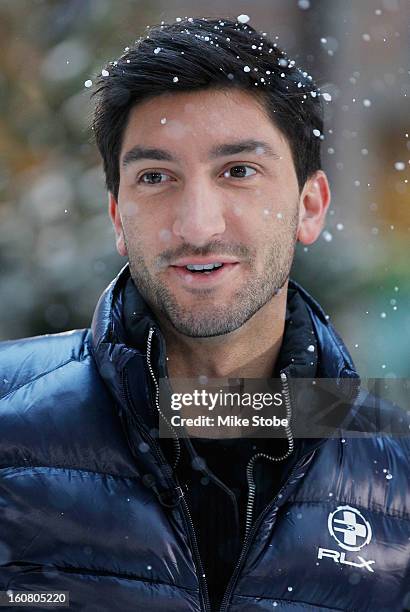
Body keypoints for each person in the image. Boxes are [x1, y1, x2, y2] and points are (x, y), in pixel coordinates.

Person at [0, 16, 408, 612]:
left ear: (309, 206)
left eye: (238, 171)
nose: (197, 225)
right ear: (117, 217)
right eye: (156, 177)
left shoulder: (395, 468)